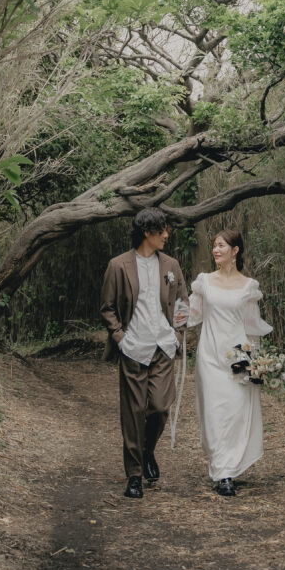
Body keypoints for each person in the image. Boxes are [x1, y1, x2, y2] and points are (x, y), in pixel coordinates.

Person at [100, 208, 188, 499]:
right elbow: (108, 308)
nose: (166, 235)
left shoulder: (171, 265)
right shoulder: (118, 265)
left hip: (163, 346)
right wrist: (120, 338)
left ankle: (148, 450)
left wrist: (177, 335)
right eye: (162, 230)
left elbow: (182, 305)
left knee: (160, 407)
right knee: (133, 413)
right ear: (147, 233)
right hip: (134, 349)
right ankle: (134, 475)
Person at [179, 227, 272, 496]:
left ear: (235, 251)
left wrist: (257, 363)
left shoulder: (248, 286)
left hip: (238, 355)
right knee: (214, 413)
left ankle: (228, 469)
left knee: (234, 413)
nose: (216, 250)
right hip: (210, 355)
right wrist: (175, 315)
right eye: (214, 246)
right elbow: (192, 315)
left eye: (221, 246)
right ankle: (222, 472)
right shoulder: (204, 281)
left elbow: (252, 327)